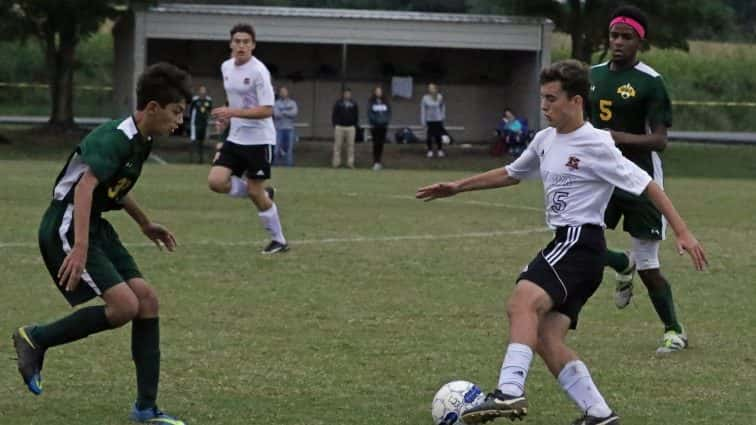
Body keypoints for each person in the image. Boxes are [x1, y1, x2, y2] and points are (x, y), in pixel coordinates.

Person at [417, 59, 707, 425]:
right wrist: (458, 187)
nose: (544, 106)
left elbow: (647, 183)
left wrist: (681, 231)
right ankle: (599, 413)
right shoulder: (545, 140)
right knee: (544, 337)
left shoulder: (597, 144)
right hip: (574, 248)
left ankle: (509, 392)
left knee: (522, 300)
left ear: (576, 100)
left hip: (580, 243)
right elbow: (511, 173)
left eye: (552, 99)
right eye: (542, 98)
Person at [12, 62, 192, 424]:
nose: (179, 122)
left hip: (94, 224)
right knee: (124, 306)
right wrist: (78, 248)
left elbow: (114, 189)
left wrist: (145, 223)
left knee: (147, 300)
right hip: (66, 223)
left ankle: (145, 408)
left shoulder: (143, 140)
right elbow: (85, 186)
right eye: (175, 113)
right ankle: (36, 337)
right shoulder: (116, 137)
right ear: (152, 108)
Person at [588, 6, 685, 354]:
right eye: (614, 35)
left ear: (639, 42)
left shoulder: (650, 82)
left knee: (648, 264)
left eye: (626, 37)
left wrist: (614, 138)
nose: (617, 42)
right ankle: (619, 262)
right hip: (600, 176)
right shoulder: (593, 76)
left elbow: (659, 140)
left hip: (640, 177)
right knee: (581, 244)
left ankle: (674, 330)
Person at [209, 23, 288, 254]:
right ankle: (262, 194)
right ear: (231, 44)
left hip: (259, 141)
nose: (241, 45)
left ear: (253, 45)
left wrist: (231, 113)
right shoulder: (226, 67)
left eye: (246, 42)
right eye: (237, 41)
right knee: (216, 182)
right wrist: (225, 115)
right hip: (235, 137)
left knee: (255, 194)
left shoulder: (259, 71)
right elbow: (233, 101)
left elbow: (267, 110)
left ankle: (279, 240)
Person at [331, 87, 359, 168]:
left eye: (348, 93)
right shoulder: (338, 103)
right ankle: (336, 163)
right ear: (343, 94)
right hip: (339, 127)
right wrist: (335, 124)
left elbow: (356, 115)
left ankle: (350, 163)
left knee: (350, 146)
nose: (347, 95)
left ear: (350, 94)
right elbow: (334, 115)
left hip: (350, 127)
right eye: (346, 93)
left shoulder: (354, 103)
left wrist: (354, 125)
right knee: (337, 146)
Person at [273, 85, 298, 166]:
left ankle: (289, 166)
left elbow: (294, 113)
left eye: (285, 91)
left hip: (289, 129)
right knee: (276, 149)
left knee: (289, 149)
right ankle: (275, 165)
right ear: (279, 93)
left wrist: (283, 111)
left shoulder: (292, 103)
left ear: (287, 93)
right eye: (281, 92)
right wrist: (288, 111)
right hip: (278, 129)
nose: (283, 93)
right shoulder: (276, 103)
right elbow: (276, 114)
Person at [367, 86, 391, 170]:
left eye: (380, 91)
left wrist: (385, 121)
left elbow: (388, 113)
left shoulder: (385, 102)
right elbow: (370, 114)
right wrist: (376, 121)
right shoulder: (371, 102)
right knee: (376, 144)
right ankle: (375, 162)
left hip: (383, 126)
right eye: (377, 91)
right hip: (375, 126)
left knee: (381, 144)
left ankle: (379, 162)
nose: (378, 93)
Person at [421, 83, 446, 158]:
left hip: (438, 120)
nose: (430, 89)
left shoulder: (439, 97)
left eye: (432, 88)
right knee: (429, 136)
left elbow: (443, 107)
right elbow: (423, 110)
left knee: (438, 136)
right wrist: (423, 120)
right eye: (429, 88)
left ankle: (440, 150)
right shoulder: (425, 98)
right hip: (429, 120)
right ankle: (430, 151)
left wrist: (442, 117)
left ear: (435, 89)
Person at [189, 85, 213, 163]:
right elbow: (191, 111)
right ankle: (192, 159)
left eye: (204, 90)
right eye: (201, 90)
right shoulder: (195, 100)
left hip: (204, 124)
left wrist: (208, 120)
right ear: (199, 91)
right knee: (194, 141)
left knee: (202, 141)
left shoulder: (208, 100)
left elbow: (209, 111)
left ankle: (201, 160)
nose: (203, 92)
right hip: (195, 124)